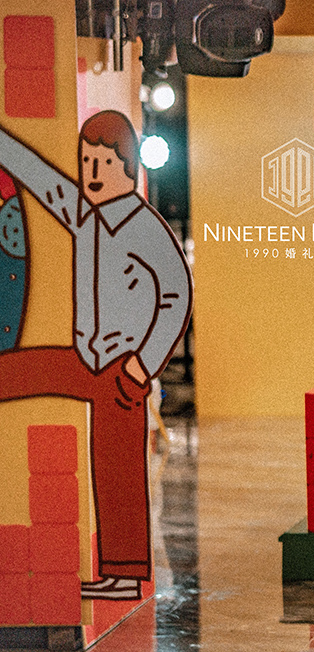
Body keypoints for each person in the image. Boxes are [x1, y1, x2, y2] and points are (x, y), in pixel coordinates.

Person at [0, 110, 192, 600]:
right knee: (22, 370)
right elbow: (43, 180)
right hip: (86, 358)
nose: (92, 173)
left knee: (117, 463)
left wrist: (142, 364)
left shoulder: (144, 227)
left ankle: (123, 574)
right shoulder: (85, 215)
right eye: (87, 162)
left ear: (128, 168)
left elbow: (175, 297)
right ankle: (120, 574)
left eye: (103, 164)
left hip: (121, 370)